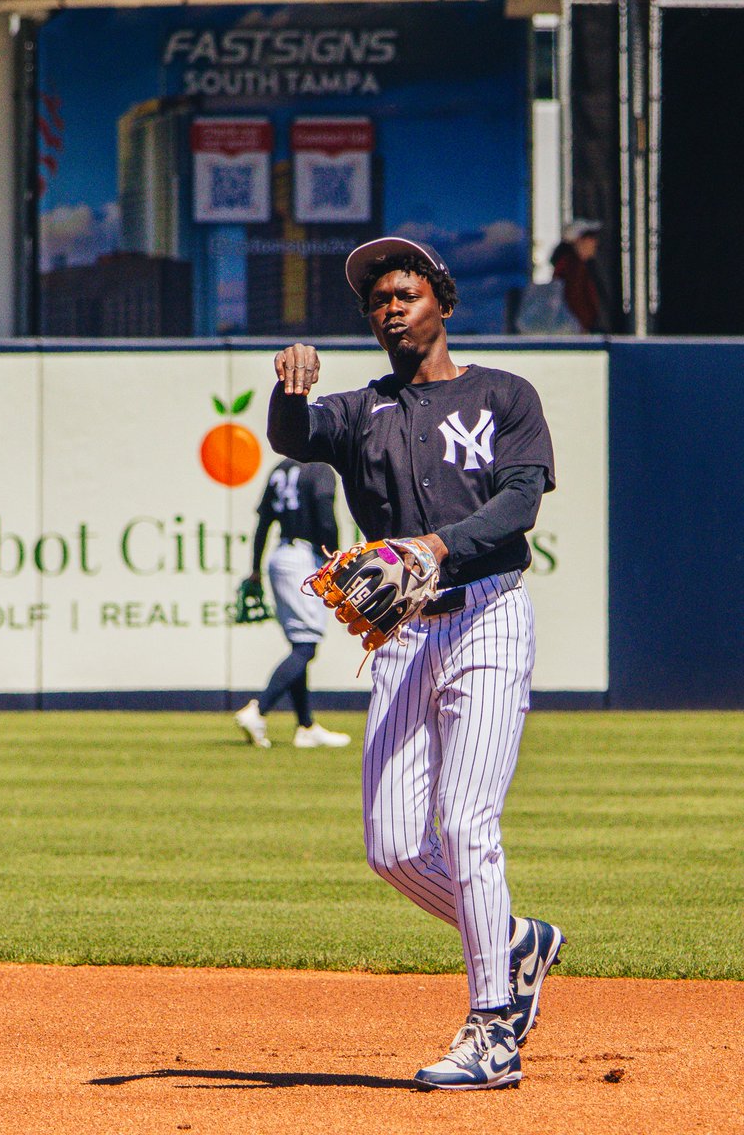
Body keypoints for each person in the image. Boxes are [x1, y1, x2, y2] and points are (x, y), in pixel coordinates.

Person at [266, 235, 564, 1091]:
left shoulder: (503, 394)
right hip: (401, 637)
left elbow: (518, 502)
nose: (389, 306)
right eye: (376, 300)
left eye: (405, 292)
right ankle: (514, 941)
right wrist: (290, 392)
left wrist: (434, 545)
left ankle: (493, 1026)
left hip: (488, 617)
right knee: (394, 847)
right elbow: (297, 438)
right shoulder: (362, 410)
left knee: (467, 823)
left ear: (442, 302)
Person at [234, 459, 351, 750]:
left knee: (300, 643)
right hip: (303, 558)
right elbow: (325, 515)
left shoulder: (281, 468)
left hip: (280, 555)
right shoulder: (320, 468)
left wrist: (256, 568)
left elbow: (263, 523)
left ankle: (306, 726)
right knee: (306, 646)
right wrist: (334, 559)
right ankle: (259, 709)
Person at [550, 219, 602, 333]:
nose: (594, 243)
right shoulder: (572, 267)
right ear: (578, 241)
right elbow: (574, 300)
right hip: (576, 332)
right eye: (590, 238)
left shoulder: (574, 265)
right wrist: (583, 327)